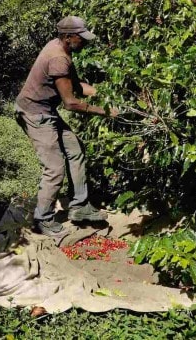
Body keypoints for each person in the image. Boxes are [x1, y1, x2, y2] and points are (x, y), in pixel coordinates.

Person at [15, 16, 117, 238]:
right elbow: (70, 103)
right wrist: (106, 111)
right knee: (54, 168)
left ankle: (79, 206)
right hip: (35, 114)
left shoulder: (61, 48)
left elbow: (77, 86)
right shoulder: (58, 58)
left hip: (46, 110)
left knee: (75, 150)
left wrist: (105, 94)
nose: (84, 42)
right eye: (81, 38)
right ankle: (43, 218)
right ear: (68, 37)